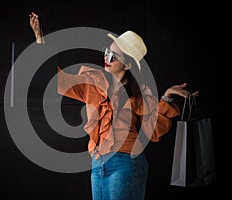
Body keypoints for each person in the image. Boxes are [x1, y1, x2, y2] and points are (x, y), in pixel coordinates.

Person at [29, 12, 199, 200]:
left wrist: (166, 99)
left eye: (113, 56)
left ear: (127, 65)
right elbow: (57, 81)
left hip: (126, 163)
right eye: (106, 52)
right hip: (97, 164)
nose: (107, 58)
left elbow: (153, 131)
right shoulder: (91, 83)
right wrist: (40, 41)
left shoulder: (139, 94)